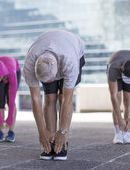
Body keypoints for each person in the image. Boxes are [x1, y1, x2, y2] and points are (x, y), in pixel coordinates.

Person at [23, 29, 85, 160]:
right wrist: (41, 131)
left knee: (62, 96)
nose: (51, 82)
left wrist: (63, 132)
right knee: (49, 97)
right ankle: (50, 141)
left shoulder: (70, 62)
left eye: (52, 79)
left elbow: (68, 101)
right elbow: (35, 99)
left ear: (57, 68)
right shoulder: (30, 63)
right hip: (46, 49)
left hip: (73, 48)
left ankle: (62, 142)